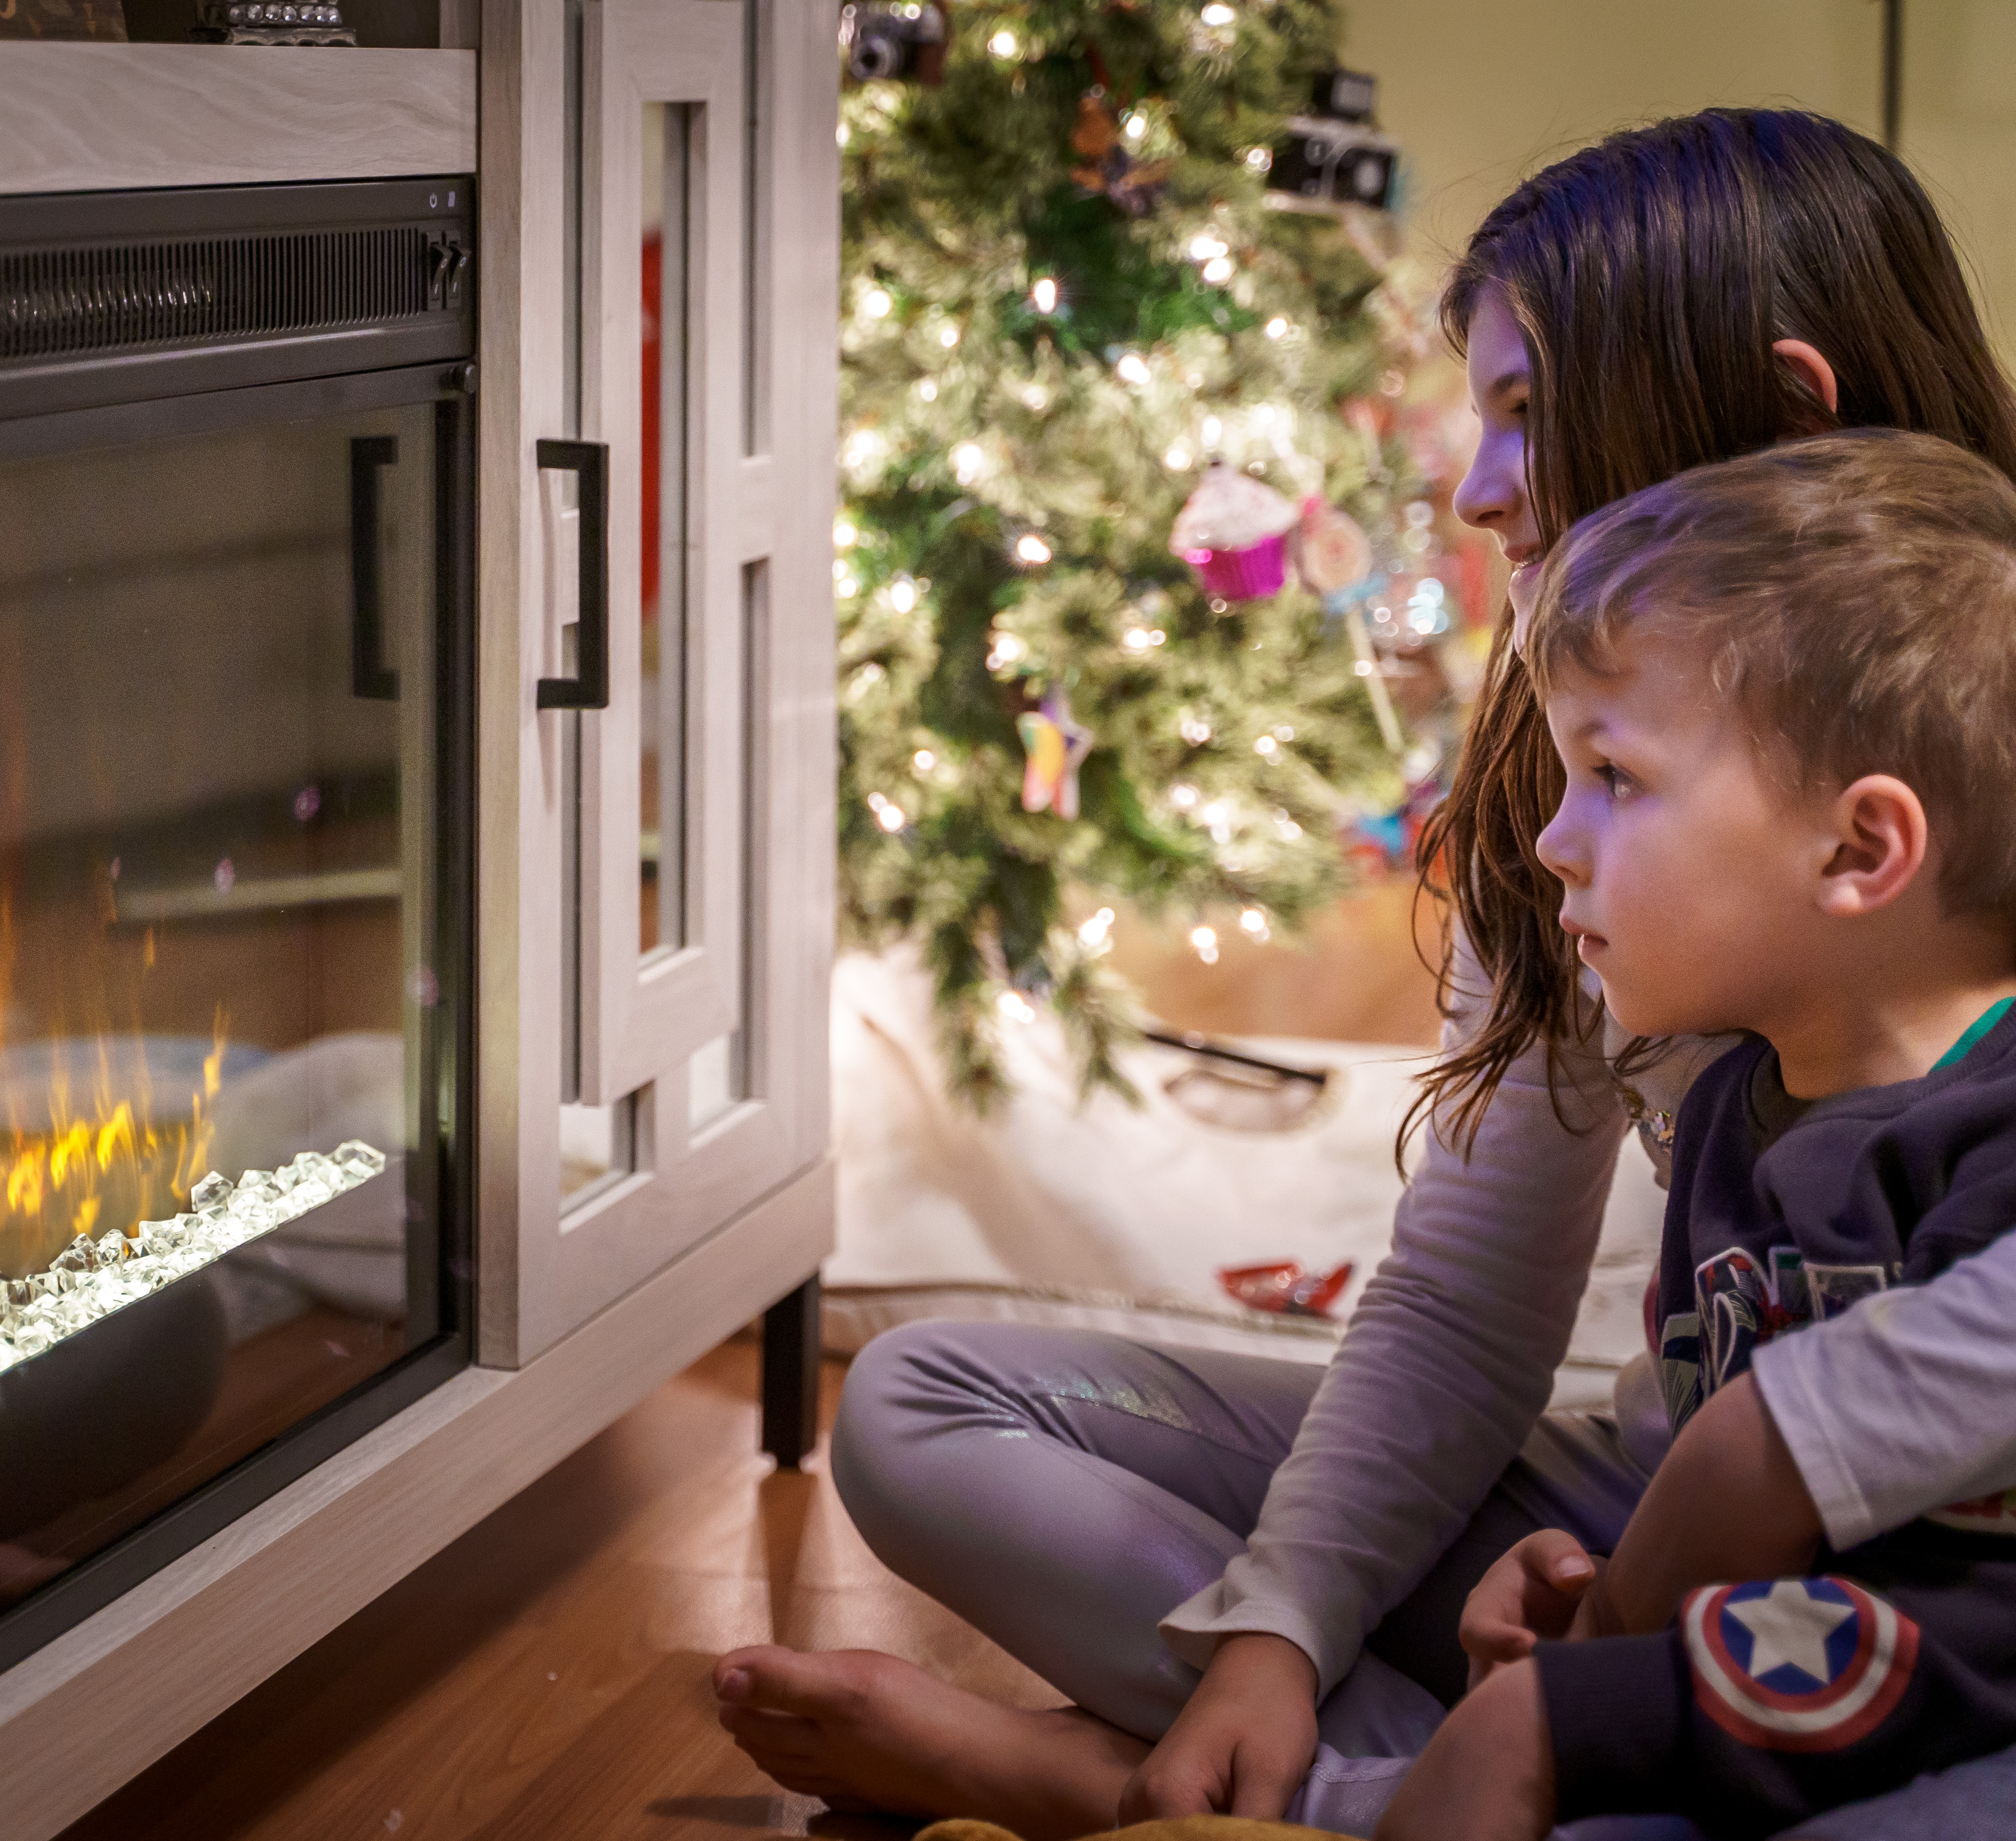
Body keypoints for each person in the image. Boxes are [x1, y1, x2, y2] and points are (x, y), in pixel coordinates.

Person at [714, 109, 2016, 1837]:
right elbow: (1477, 1290)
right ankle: (1415, 1786)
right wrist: (1280, 1622)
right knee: (922, 1405)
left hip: (1939, 1605)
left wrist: (1778, 1446)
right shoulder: (1566, 810)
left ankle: (1201, 1799)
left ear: (1782, 414)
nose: (1473, 489)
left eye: (1527, 416)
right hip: (1660, 1530)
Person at [1367, 429, 2016, 1840]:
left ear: (1860, 852)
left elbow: (1957, 1624)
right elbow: (1720, 1498)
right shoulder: (1730, 1109)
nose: (1552, 841)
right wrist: (1586, 1593)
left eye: (1617, 776)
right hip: (1785, 1671)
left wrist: (1602, 1686)